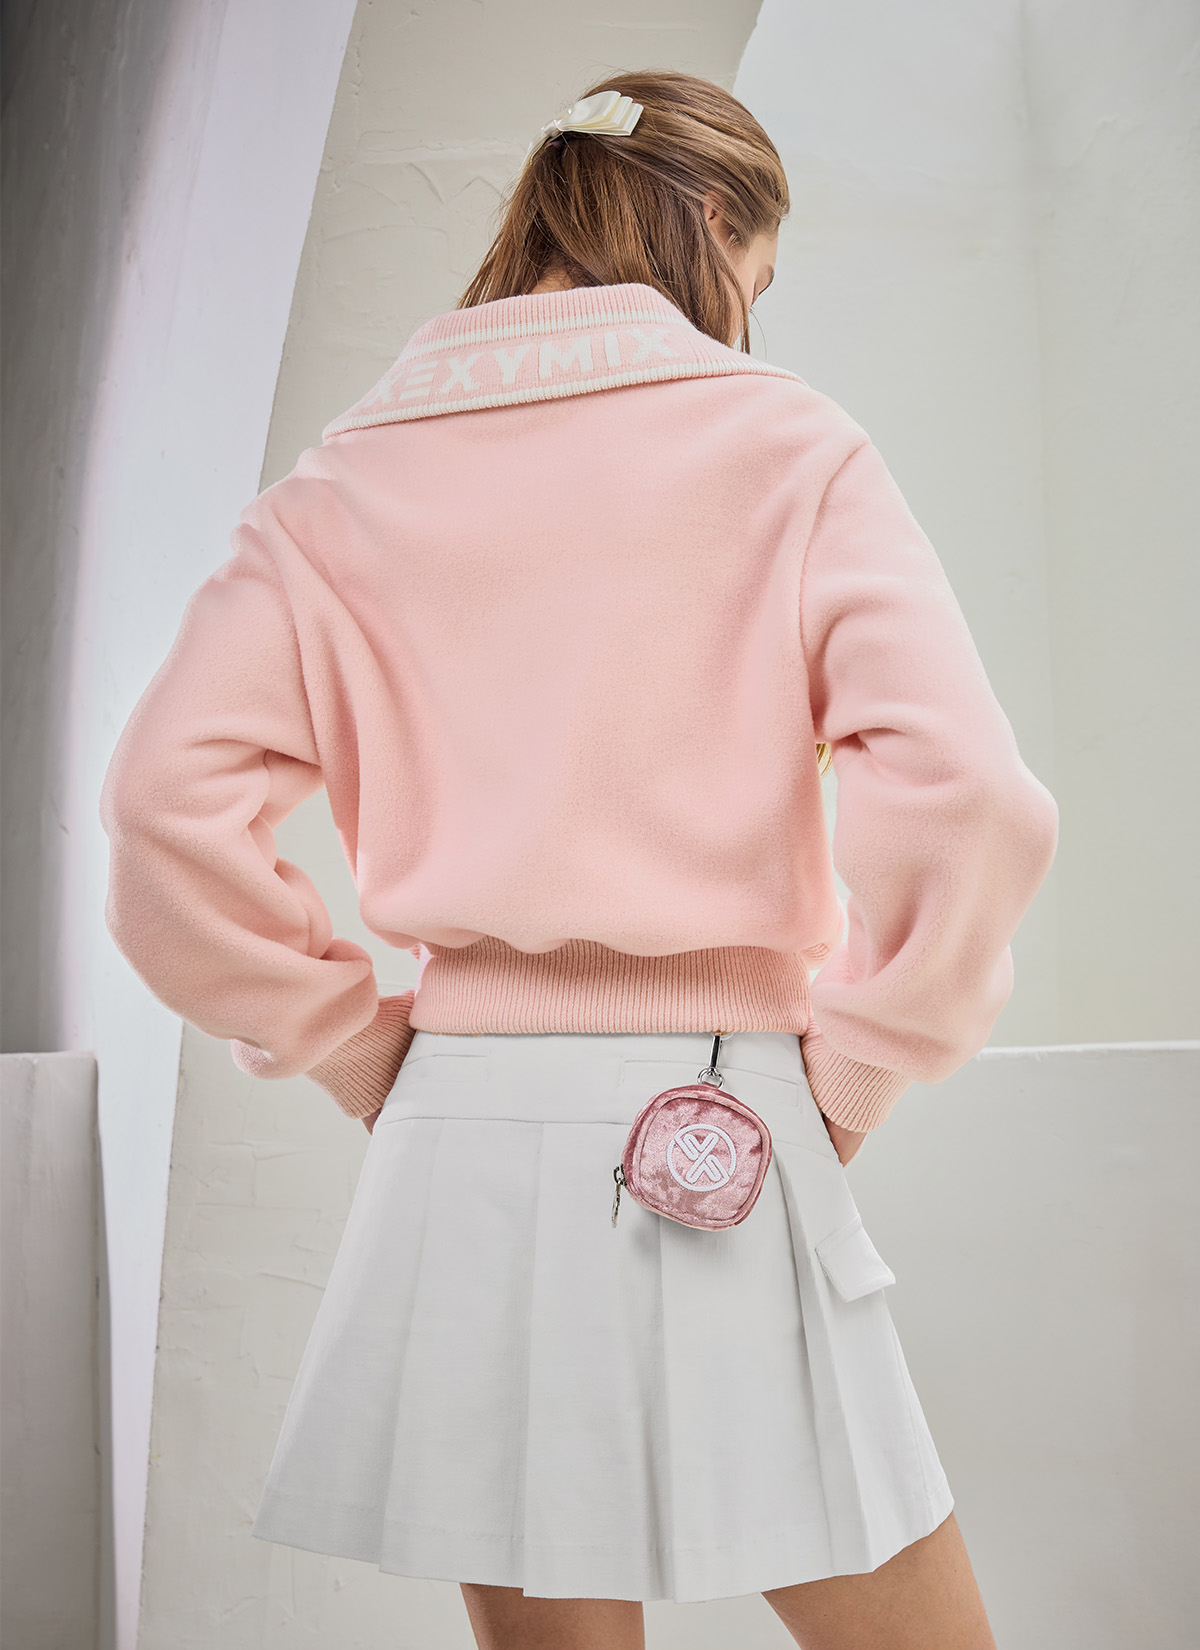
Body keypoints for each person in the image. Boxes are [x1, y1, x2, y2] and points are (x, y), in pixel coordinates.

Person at [98, 68, 1057, 1650]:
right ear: (717, 225)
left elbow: (159, 804)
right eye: (757, 277)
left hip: (453, 1133)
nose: (748, 315)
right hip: (724, 1118)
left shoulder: (344, 485)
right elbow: (967, 794)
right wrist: (860, 1067)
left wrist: (353, 1043)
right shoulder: (786, 447)